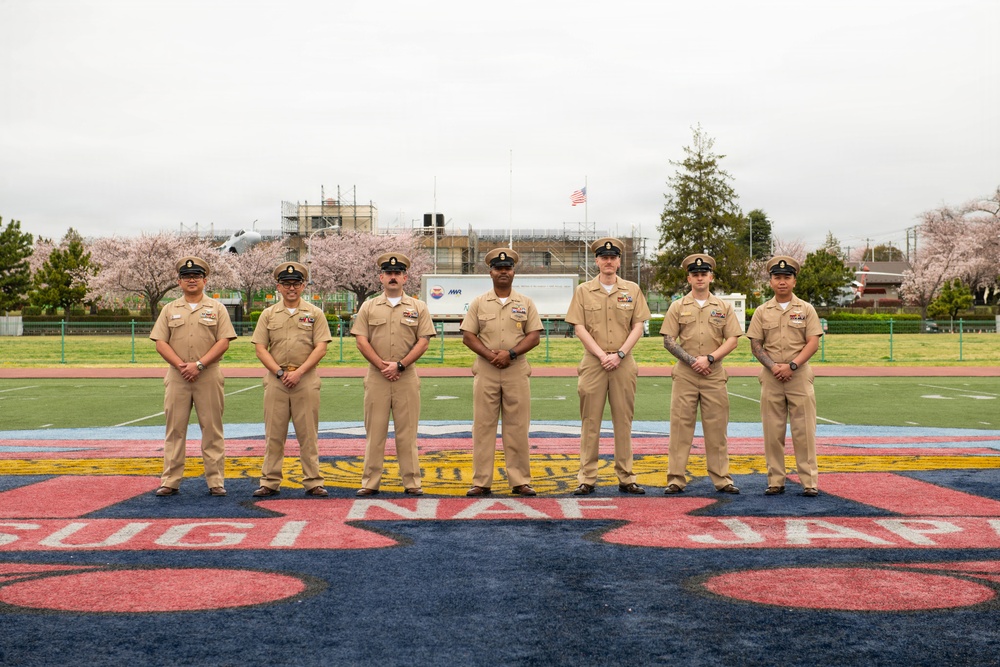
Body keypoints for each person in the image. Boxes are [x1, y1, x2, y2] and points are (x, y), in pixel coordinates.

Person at [564, 237, 651, 495]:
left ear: (619, 261)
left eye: (613, 257)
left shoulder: (632, 290)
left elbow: (639, 326)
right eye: (604, 257)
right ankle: (587, 478)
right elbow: (579, 327)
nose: (609, 261)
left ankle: (626, 477)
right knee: (590, 421)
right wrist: (603, 355)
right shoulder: (583, 291)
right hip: (594, 362)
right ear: (597, 261)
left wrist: (620, 354)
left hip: (623, 362)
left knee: (623, 421)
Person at [149, 256, 237, 497]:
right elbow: (160, 342)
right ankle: (170, 480)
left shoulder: (217, 308)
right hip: (178, 377)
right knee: (175, 429)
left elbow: (224, 341)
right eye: (186, 277)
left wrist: (198, 364)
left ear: (205, 280)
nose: (191, 280)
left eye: (196, 276)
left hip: (207, 375)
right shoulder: (169, 309)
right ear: (179, 281)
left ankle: (215, 480)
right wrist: (181, 365)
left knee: (212, 428)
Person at [460, 248, 544, 497]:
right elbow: (468, 336)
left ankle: (520, 481)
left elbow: (534, 336)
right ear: (491, 272)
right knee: (483, 427)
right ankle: (481, 482)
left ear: (513, 272)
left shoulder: (525, 303)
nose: (503, 272)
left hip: (516, 370)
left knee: (517, 427)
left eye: (507, 268)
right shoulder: (478, 302)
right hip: (486, 370)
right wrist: (491, 355)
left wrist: (511, 354)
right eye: (499, 268)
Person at [351, 252, 436, 496]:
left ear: (405, 278)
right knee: (374, 432)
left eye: (397, 273)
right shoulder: (368, 306)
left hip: (406, 376)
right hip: (377, 376)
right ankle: (370, 482)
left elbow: (423, 341)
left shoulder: (418, 307)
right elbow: (361, 340)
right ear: (381, 277)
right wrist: (381, 365)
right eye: (388, 273)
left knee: (407, 433)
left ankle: (411, 482)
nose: (393, 277)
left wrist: (399, 365)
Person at [661, 254, 743, 495]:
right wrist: (691, 361)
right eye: (695, 274)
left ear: (711, 277)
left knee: (717, 429)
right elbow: (668, 340)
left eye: (703, 274)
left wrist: (709, 358)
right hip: (686, 374)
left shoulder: (723, 306)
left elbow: (733, 339)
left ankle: (722, 479)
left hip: (714, 373)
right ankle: (675, 478)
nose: (699, 277)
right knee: (680, 427)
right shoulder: (677, 306)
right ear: (688, 278)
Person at [250, 261, 333, 498]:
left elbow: (320, 348)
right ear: (278, 286)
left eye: (296, 283)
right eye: (286, 284)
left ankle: (313, 481)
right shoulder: (268, 314)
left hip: (305, 378)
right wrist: (279, 372)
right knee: (274, 434)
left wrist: (299, 373)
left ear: (304, 285)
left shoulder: (315, 313)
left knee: (308, 433)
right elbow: (260, 348)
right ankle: (269, 481)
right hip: (277, 379)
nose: (291, 288)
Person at [746, 255, 824, 497]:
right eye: (777, 277)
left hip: (798, 375)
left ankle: (809, 481)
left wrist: (791, 365)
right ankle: (775, 480)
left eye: (786, 277)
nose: (782, 281)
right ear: (770, 281)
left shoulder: (806, 309)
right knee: (773, 431)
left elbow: (813, 343)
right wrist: (773, 367)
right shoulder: (761, 311)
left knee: (804, 432)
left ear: (794, 281)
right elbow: (756, 344)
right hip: (771, 376)